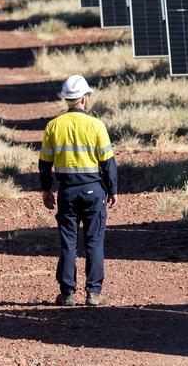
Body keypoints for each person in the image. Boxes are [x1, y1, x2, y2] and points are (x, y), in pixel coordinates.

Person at [39, 75, 118, 306]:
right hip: (93, 190)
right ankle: (93, 293)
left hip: (67, 191)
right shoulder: (96, 125)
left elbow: (44, 164)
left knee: (68, 242)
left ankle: (67, 293)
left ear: (67, 99)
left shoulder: (53, 126)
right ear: (84, 98)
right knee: (94, 241)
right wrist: (112, 190)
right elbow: (107, 163)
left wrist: (46, 190)